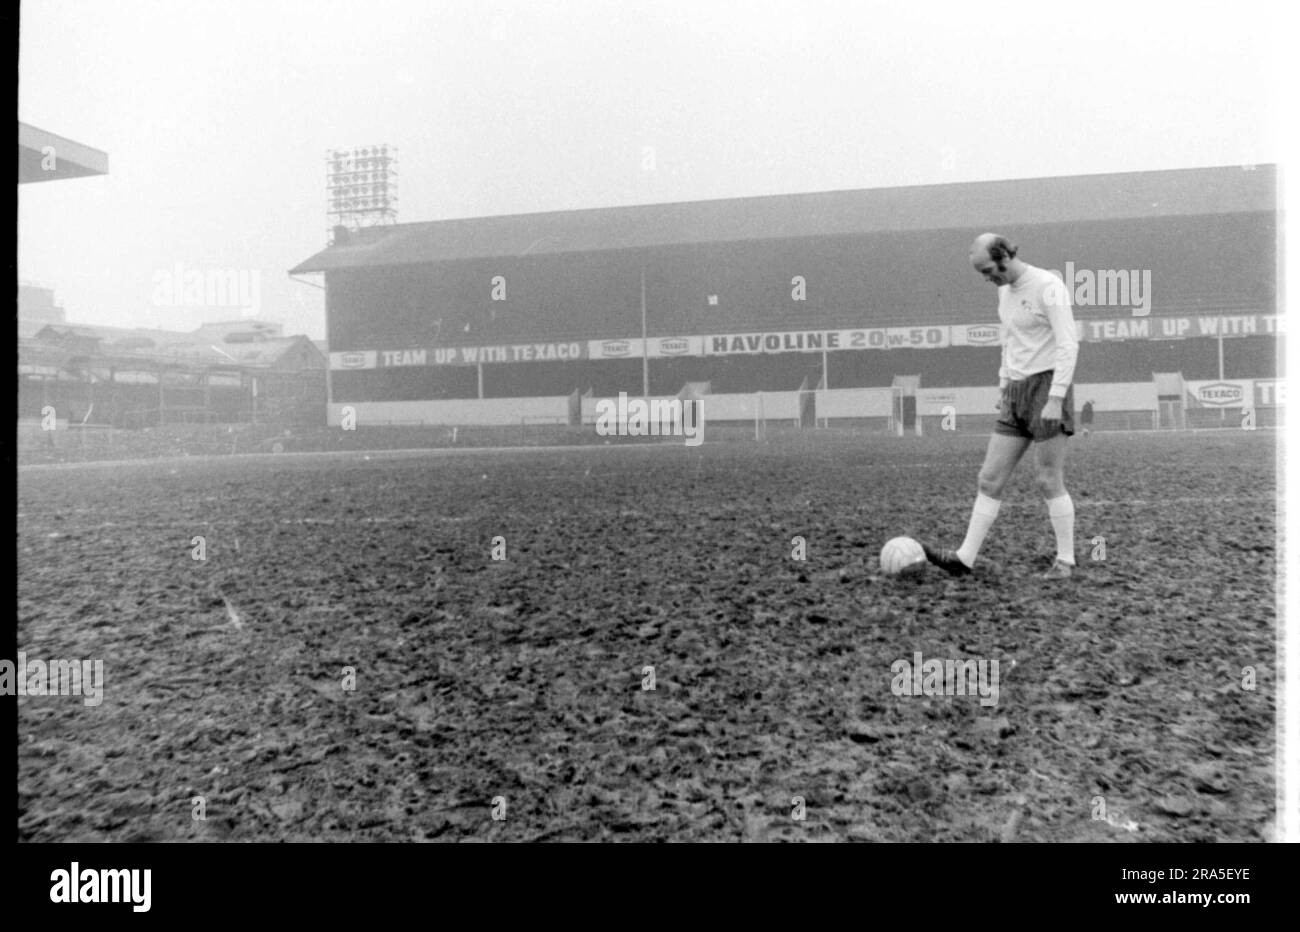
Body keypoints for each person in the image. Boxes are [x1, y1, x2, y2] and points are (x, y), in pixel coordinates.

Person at [924, 233, 1080, 580]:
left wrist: (1055, 398)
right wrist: (1004, 384)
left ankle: (1066, 562)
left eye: (988, 270)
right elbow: (1008, 341)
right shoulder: (1003, 292)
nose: (986, 278)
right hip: (1016, 393)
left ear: (1006, 257)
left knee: (1047, 479)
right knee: (989, 478)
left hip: (1047, 387)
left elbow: (1069, 344)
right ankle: (964, 558)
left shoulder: (1048, 286)